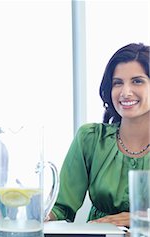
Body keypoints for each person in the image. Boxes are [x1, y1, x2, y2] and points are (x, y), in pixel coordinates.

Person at [49, 43, 150, 227]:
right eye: (117, 82)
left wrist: (141, 220)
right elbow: (61, 208)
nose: (125, 92)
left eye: (137, 81)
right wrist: (38, 216)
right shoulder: (90, 138)